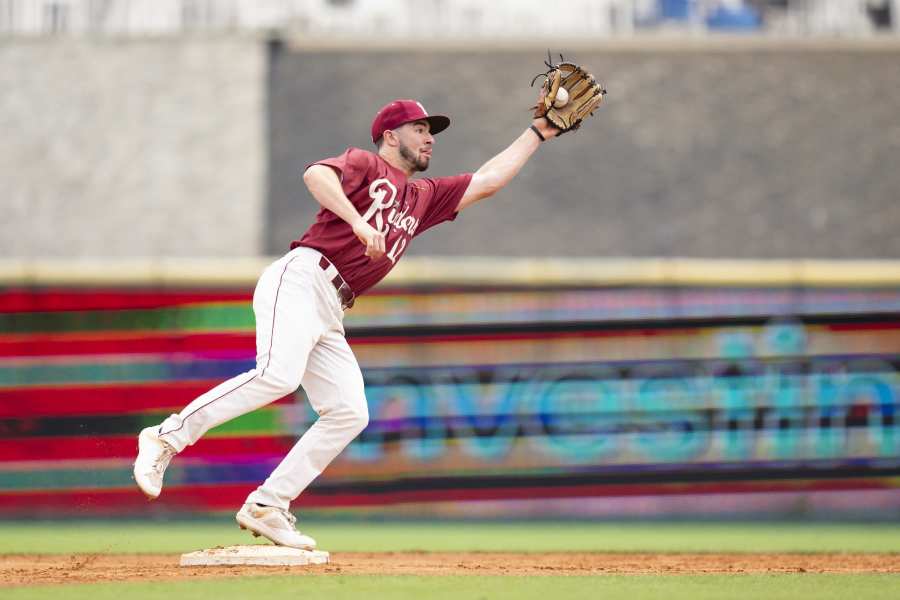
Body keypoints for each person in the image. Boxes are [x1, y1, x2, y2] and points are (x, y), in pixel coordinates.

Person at [133, 98, 560, 549]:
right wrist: (356, 221)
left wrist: (538, 133)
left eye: (431, 130)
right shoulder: (366, 163)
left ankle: (269, 504)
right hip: (300, 278)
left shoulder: (423, 198)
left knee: (349, 411)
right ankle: (166, 437)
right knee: (277, 374)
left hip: (333, 304)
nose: (430, 137)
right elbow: (315, 175)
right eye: (419, 129)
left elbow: (488, 180)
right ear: (391, 136)